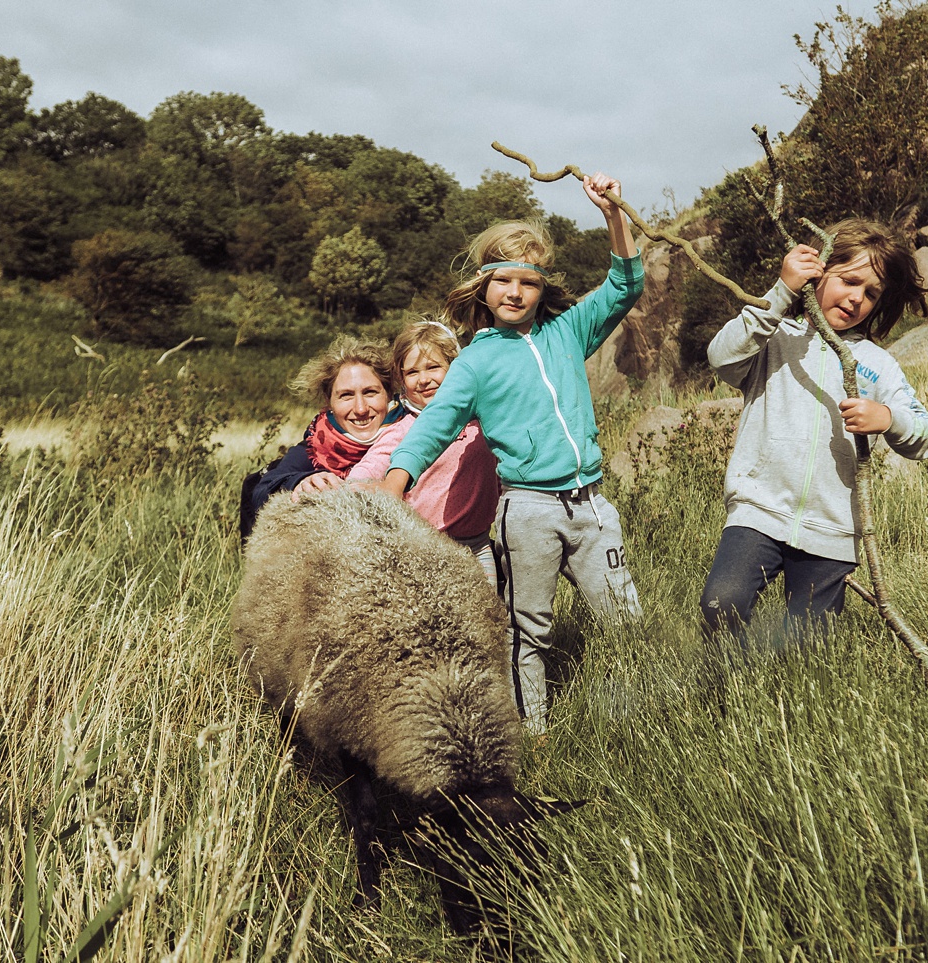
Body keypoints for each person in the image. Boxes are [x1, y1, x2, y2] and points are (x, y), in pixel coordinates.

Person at [376, 172, 644, 734]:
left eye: (528, 280)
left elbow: (625, 284)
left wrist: (612, 214)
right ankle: (534, 735)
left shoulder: (569, 330)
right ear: (483, 286)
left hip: (592, 507)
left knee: (624, 620)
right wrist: (395, 480)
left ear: (543, 287)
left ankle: (641, 719)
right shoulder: (474, 360)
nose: (515, 292)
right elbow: (433, 428)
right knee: (528, 629)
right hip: (527, 512)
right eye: (503, 280)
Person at [700, 217, 928, 651]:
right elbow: (720, 356)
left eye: (871, 294)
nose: (856, 299)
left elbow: (926, 434)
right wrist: (781, 292)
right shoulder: (776, 337)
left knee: (806, 648)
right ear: (819, 270)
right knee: (722, 604)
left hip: (831, 529)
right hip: (759, 510)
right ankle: (724, 693)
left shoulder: (877, 365)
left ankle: (783, 708)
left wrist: (888, 417)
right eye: (849, 281)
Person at [346, 318, 501, 583]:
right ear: (401, 379)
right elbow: (363, 474)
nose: (424, 379)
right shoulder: (403, 431)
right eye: (412, 372)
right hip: (421, 550)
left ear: (455, 367)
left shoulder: (482, 423)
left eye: (433, 367)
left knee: (485, 617)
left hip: (476, 546)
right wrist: (355, 486)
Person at [243, 335, 403, 531]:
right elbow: (261, 490)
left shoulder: (415, 433)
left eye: (370, 392)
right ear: (329, 403)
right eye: (346, 395)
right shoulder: (315, 447)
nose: (360, 408)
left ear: (388, 394)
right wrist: (300, 481)